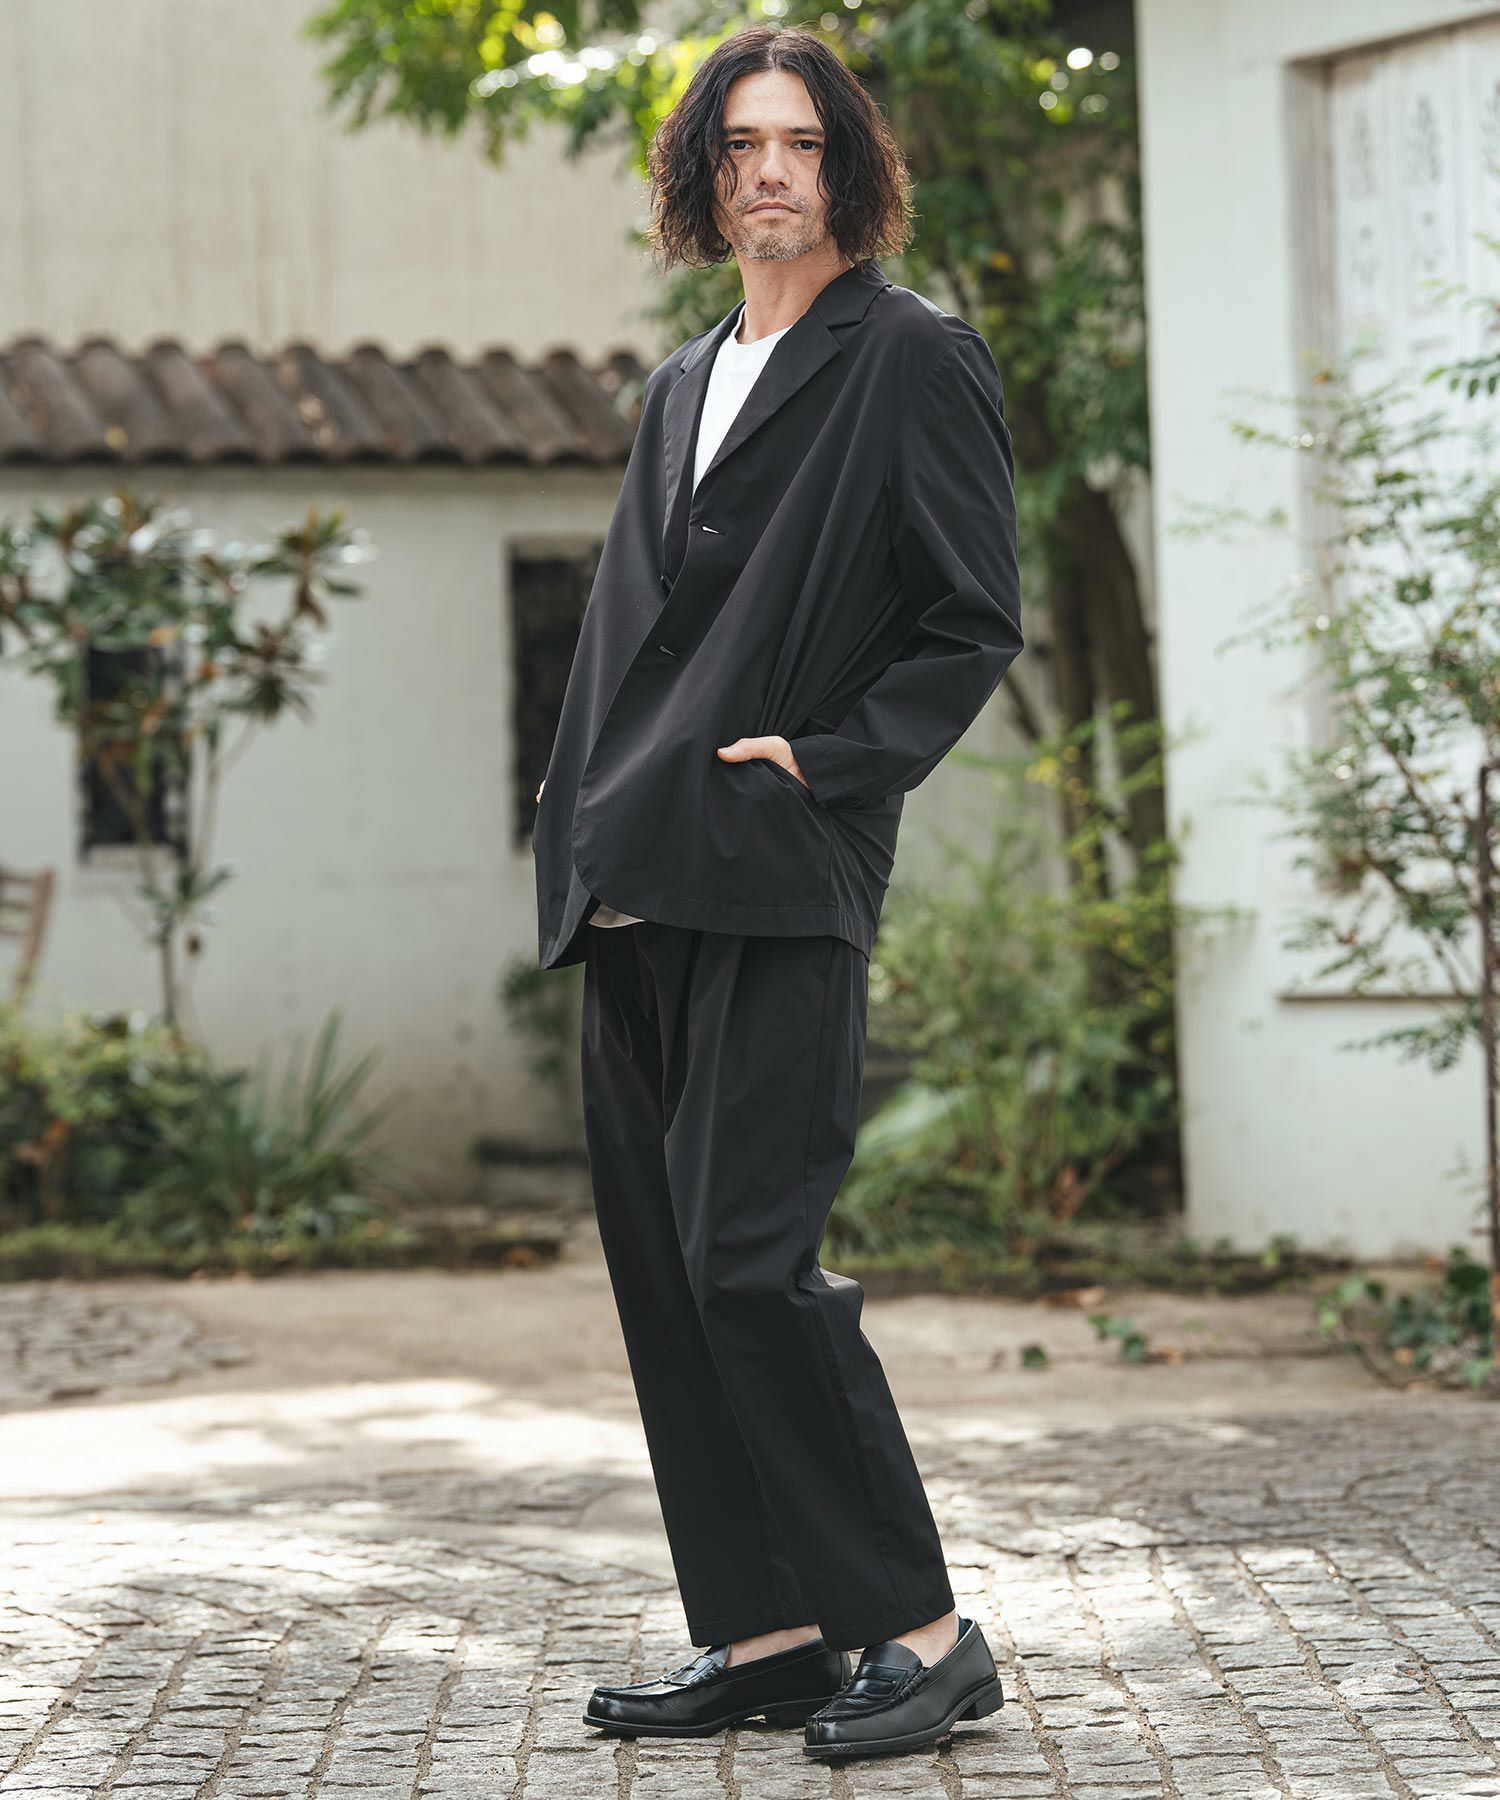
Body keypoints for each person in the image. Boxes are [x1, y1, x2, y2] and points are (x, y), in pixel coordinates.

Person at [531, 22, 1021, 1763]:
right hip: (635, 875)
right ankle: (771, 1635)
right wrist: (575, 821)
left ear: (848, 168)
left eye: (802, 144)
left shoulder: (911, 360)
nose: (771, 173)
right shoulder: (681, 384)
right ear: (700, 172)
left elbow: (969, 620)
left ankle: (927, 1634)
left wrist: (824, 762)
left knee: (751, 1264)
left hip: (777, 871)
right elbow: (629, 627)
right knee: (669, 1278)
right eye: (740, 144)